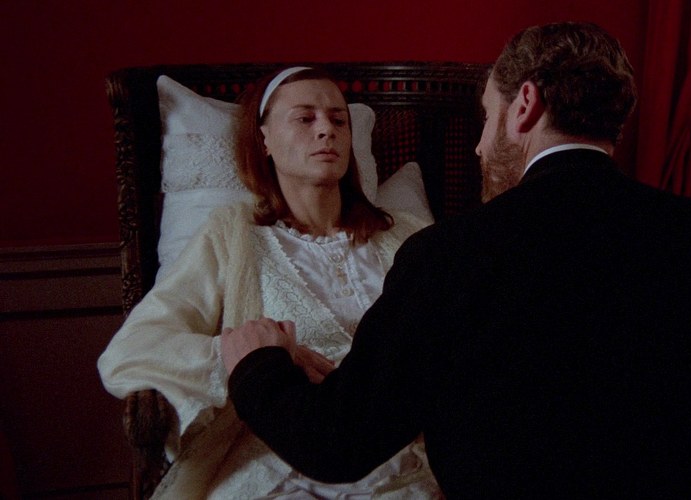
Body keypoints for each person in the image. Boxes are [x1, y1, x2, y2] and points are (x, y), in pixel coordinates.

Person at [221, 22, 691, 499]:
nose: (480, 145)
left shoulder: (445, 256)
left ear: (526, 106)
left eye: (487, 118)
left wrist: (256, 366)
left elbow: (337, 444)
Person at [97, 67, 440, 499]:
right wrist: (252, 357)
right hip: (278, 457)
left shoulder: (408, 235)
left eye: (338, 120)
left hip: (409, 451)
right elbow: (133, 349)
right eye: (305, 118)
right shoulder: (233, 237)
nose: (326, 130)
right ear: (265, 141)